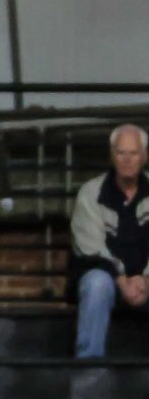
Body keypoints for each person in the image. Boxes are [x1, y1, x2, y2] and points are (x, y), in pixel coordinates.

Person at [71, 123, 149, 358]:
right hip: (109, 279)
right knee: (96, 284)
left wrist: (146, 279)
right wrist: (123, 281)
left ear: (144, 156)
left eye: (133, 153)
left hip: (145, 280)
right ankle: (89, 370)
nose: (127, 159)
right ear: (112, 155)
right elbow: (91, 249)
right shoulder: (90, 193)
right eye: (120, 152)